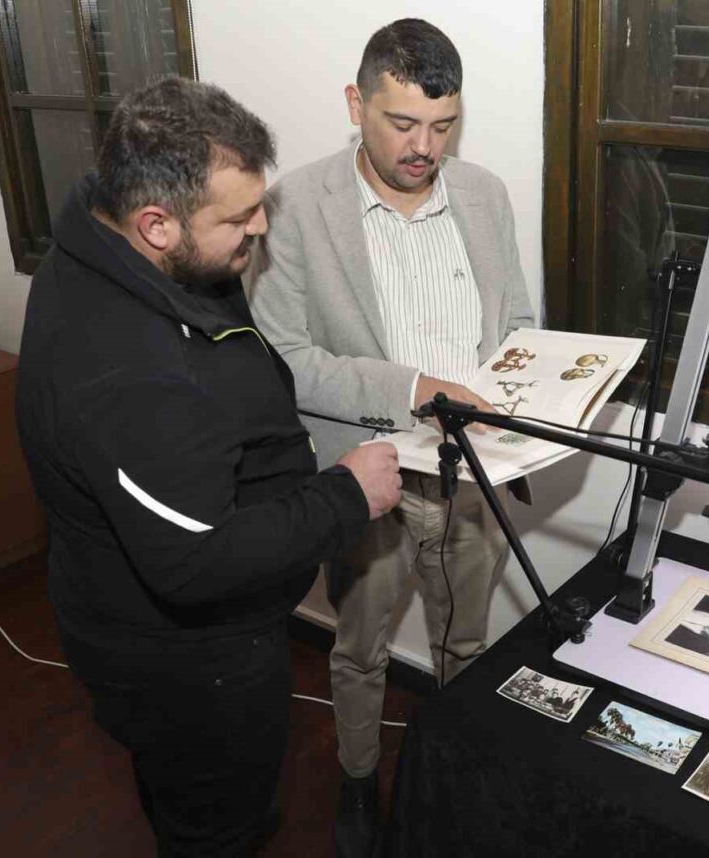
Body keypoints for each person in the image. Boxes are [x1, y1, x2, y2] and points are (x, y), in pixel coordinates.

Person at [16, 77, 402, 857]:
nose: (261, 225)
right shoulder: (126, 372)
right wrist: (346, 496)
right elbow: (195, 562)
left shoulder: (122, 239)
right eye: (237, 217)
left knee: (206, 806)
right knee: (214, 826)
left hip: (203, 638)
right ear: (156, 223)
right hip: (187, 669)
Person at [247, 18, 534, 856]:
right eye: (402, 123)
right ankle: (359, 779)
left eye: (443, 126)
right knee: (360, 647)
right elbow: (284, 360)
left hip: (471, 470)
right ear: (356, 104)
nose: (424, 148)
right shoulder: (296, 207)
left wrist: (533, 381)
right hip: (368, 471)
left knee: (467, 640)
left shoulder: (483, 195)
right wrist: (412, 389)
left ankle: (454, 775)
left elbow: (516, 322)